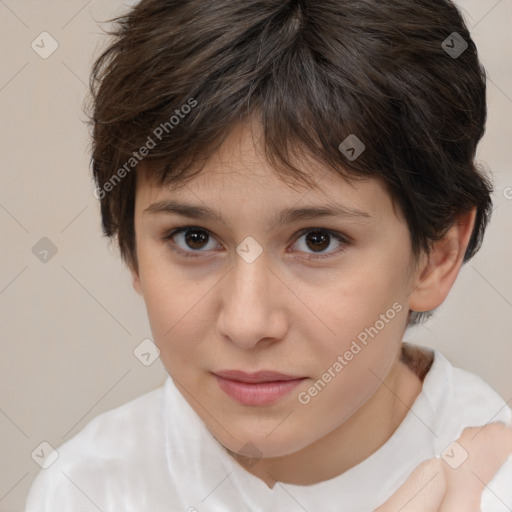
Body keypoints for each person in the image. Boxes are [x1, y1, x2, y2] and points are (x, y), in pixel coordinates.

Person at [25, 0, 512, 510]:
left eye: (317, 240)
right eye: (194, 238)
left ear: (438, 253)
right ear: (131, 249)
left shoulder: (491, 489)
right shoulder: (87, 489)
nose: (246, 322)